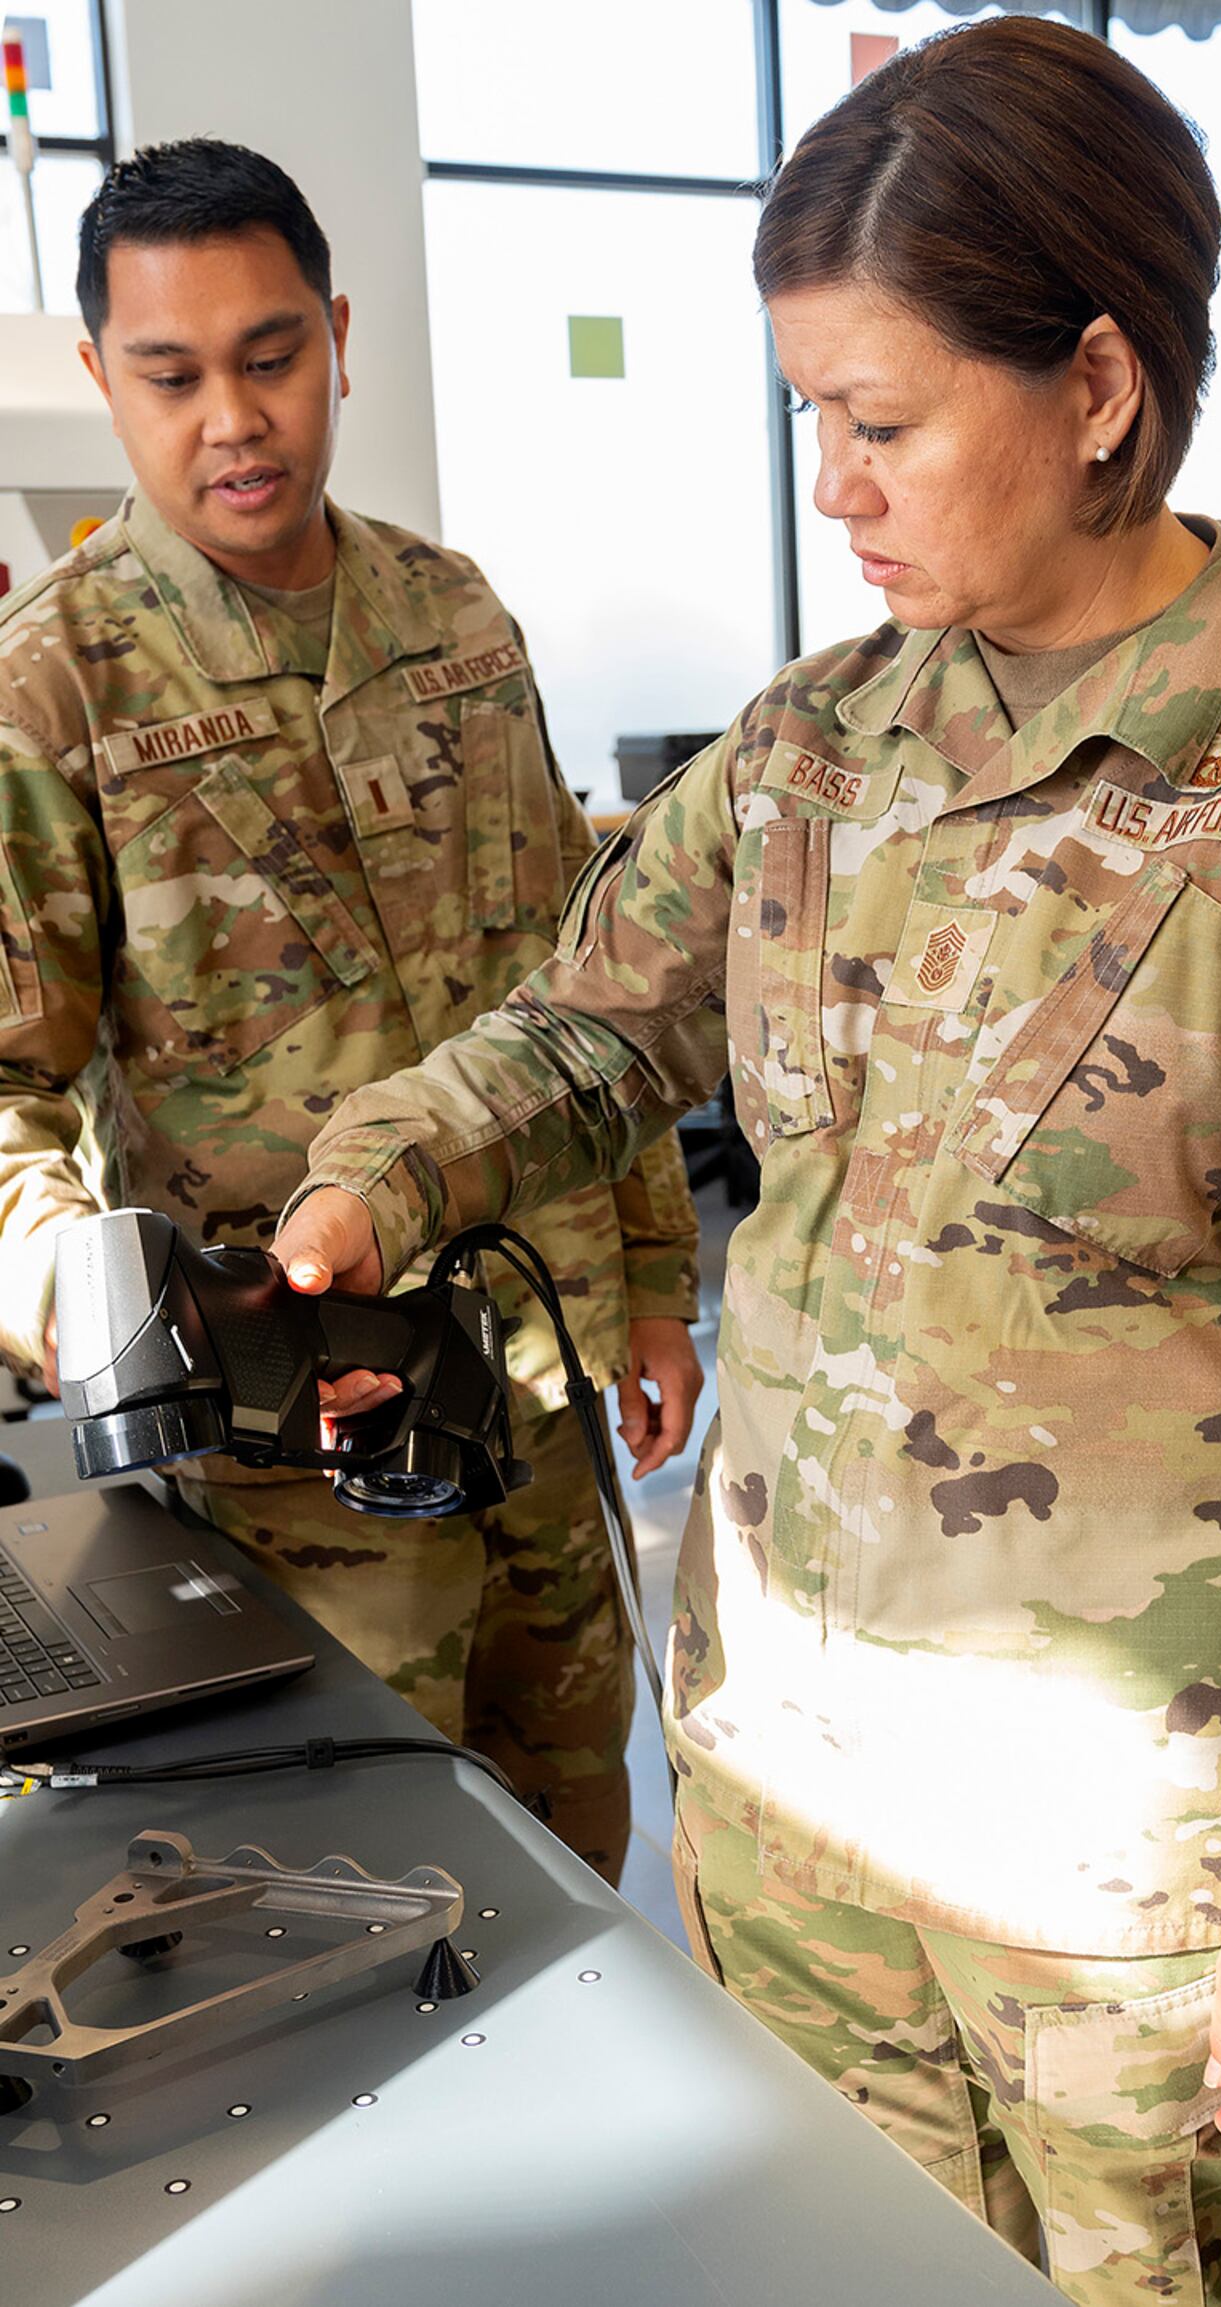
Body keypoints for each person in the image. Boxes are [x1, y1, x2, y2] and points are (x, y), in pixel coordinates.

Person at [274, 21, 1221, 2303]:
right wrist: (382, 1173)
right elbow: (599, 1018)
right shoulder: (817, 741)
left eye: (877, 422)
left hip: (1127, 1883)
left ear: (1095, 383)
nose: (832, 487)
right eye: (809, 418)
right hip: (794, 1804)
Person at [0, 139, 703, 1885]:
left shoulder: (456, 618)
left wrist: (661, 1284)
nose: (232, 418)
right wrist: (123, 1324)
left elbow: (586, 982)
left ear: (336, 337)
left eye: (270, 356)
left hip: (538, 1375)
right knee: (362, 1897)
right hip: (298, 1453)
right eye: (170, 375)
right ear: (101, 380)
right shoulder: (55, 687)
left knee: (574, 1831)